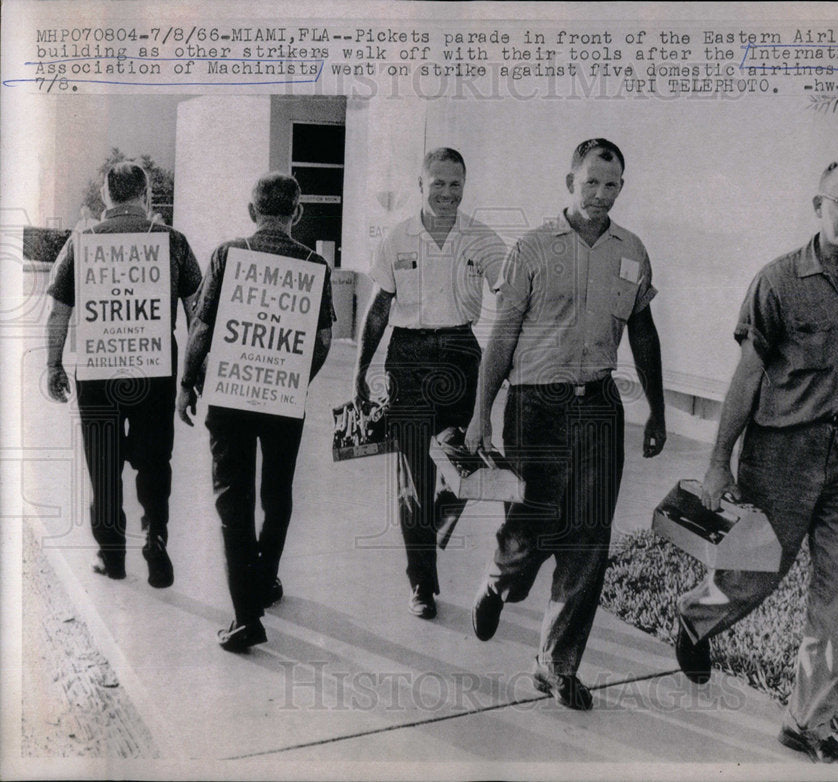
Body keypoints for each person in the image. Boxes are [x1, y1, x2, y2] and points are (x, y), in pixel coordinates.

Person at [674, 161, 838, 764]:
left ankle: (807, 723)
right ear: (819, 204)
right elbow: (746, 377)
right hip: (783, 452)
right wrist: (718, 462)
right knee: (757, 572)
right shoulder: (778, 281)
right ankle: (696, 620)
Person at [464, 138, 667, 710]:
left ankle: (556, 664)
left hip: (601, 406)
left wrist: (657, 407)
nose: (601, 195)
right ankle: (498, 583)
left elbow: (643, 331)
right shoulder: (531, 249)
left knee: (589, 539)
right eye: (590, 184)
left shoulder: (632, 250)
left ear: (621, 187)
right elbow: (502, 336)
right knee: (530, 529)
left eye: (612, 185)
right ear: (569, 182)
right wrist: (482, 413)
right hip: (536, 407)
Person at [176, 173, 334, 652]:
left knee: (233, 500)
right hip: (283, 399)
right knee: (278, 492)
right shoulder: (314, 263)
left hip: (230, 396)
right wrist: (293, 378)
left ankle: (246, 616)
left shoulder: (227, 254)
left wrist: (186, 383)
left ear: (251, 212)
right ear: (298, 214)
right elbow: (323, 340)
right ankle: (266, 578)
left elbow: (202, 326)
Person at [353, 147, 507, 619]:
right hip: (409, 359)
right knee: (414, 480)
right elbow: (380, 307)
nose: (446, 193)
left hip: (463, 354)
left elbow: (510, 304)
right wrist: (361, 370)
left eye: (455, 184)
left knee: (467, 463)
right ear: (420, 185)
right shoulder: (398, 238)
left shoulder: (483, 239)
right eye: (437, 183)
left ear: (465, 185)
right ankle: (422, 583)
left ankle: (438, 516)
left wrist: (510, 365)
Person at [45, 161, 202, 586]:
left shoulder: (82, 242)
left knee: (103, 463)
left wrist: (52, 363)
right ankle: (155, 535)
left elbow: (60, 309)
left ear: (107, 197)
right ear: (146, 195)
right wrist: (192, 375)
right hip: (156, 370)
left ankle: (111, 556)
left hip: (98, 372)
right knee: (154, 461)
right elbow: (197, 313)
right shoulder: (173, 242)